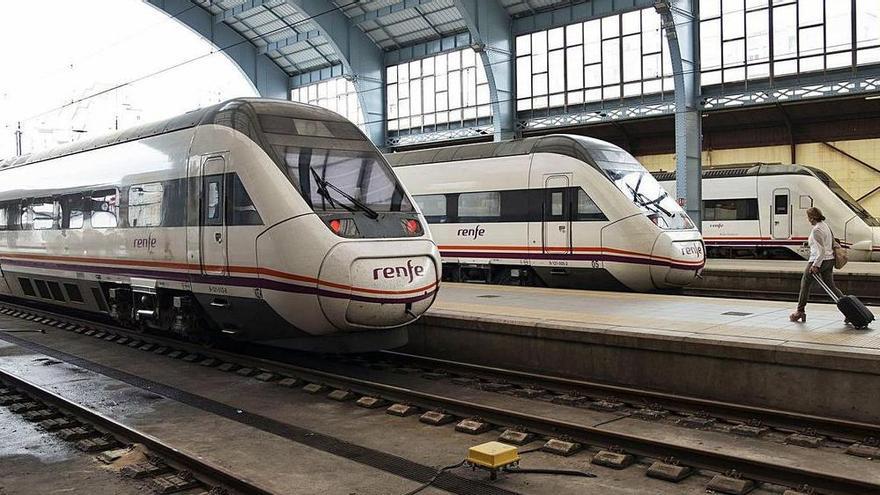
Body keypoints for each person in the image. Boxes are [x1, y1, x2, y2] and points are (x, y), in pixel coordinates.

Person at [790, 206, 842, 322]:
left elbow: (821, 251)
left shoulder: (816, 230)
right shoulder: (825, 226)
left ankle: (800, 311)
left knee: (805, 284)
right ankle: (849, 309)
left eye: (808, 217)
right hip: (829, 260)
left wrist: (815, 265)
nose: (808, 220)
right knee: (831, 286)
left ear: (812, 217)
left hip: (819, 260)